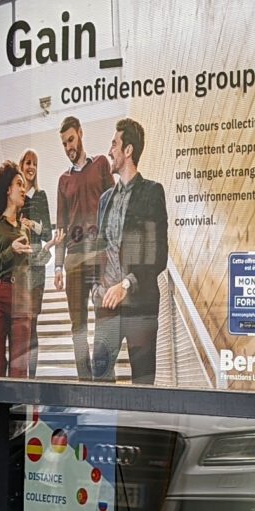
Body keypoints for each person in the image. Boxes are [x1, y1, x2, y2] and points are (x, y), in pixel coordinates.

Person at [91, 117, 168, 385]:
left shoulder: (152, 192)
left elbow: (158, 254)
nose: (110, 150)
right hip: (107, 308)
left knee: (143, 386)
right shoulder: (104, 200)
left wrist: (126, 284)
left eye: (115, 144)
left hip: (140, 307)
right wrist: (95, 289)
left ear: (128, 150)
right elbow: (99, 250)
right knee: (99, 383)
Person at [53, 117, 113, 378]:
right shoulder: (63, 181)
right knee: (78, 324)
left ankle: (103, 375)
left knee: (104, 318)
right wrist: (57, 265)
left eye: (71, 139)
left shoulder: (101, 164)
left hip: (100, 256)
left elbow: (114, 206)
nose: (68, 146)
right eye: (64, 143)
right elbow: (61, 228)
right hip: (75, 259)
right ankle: (83, 378)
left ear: (80, 134)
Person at [0, 161, 41, 377]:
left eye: (24, 185)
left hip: (22, 298)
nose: (24, 189)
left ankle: (17, 411)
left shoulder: (26, 229)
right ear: (8, 189)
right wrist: (10, 251)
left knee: (19, 372)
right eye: (19, 184)